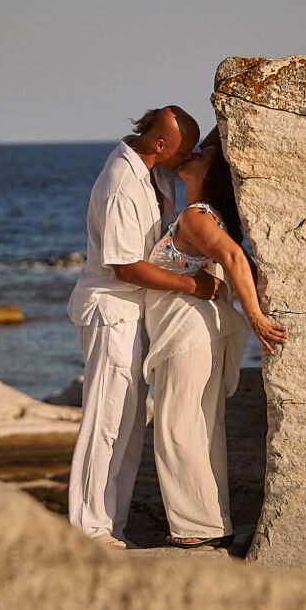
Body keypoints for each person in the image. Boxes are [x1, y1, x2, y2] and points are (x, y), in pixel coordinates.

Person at [67, 106, 220, 548]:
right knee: (105, 422)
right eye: (182, 150)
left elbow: (202, 150)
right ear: (160, 145)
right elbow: (125, 268)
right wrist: (191, 285)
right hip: (110, 313)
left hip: (134, 314)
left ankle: (111, 527)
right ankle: (88, 531)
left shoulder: (155, 172)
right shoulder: (120, 184)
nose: (188, 157)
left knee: (130, 427)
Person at [144, 140, 288, 548]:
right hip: (200, 333)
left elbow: (233, 258)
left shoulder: (196, 215)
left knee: (176, 428)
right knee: (202, 428)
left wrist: (256, 317)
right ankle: (211, 525)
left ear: (214, 171)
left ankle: (195, 530)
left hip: (186, 334)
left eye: (202, 150)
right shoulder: (209, 216)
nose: (191, 152)